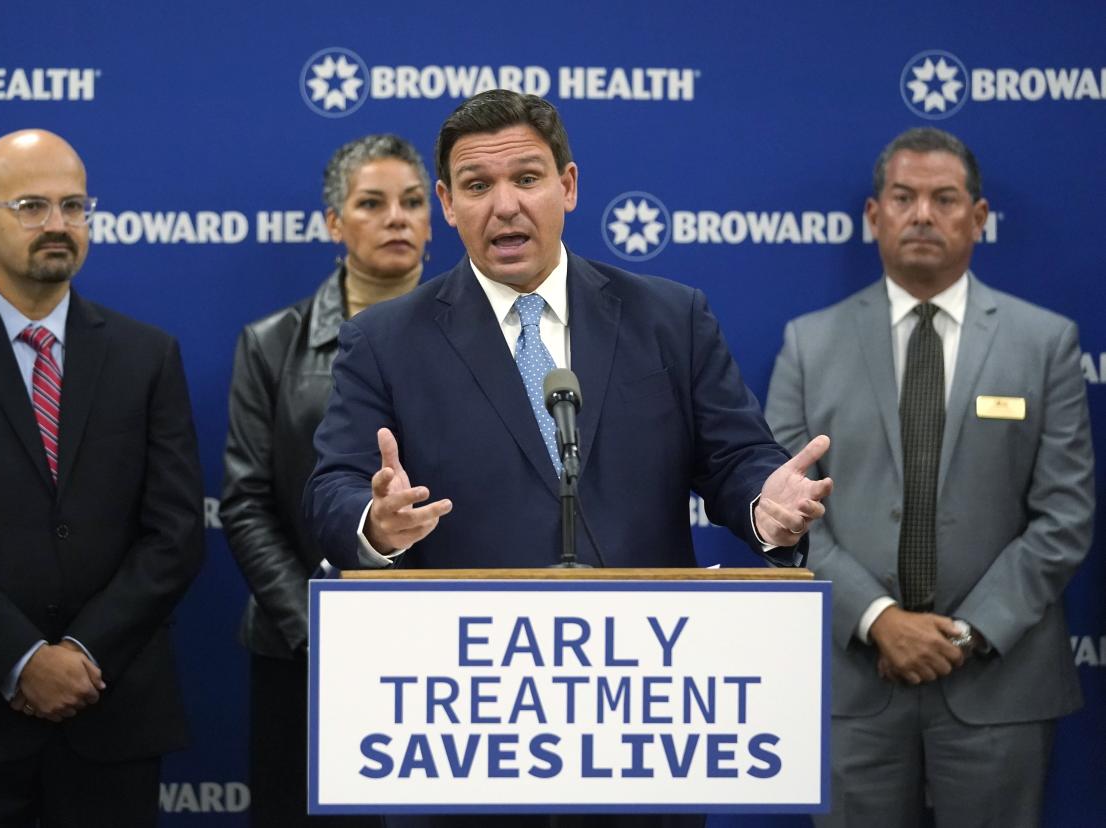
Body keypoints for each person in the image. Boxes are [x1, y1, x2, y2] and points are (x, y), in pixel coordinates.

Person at [303, 91, 831, 828]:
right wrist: (375, 523)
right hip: (465, 739)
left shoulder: (669, 318)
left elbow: (738, 458)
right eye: (478, 187)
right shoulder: (386, 340)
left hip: (641, 731)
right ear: (449, 206)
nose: (505, 205)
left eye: (527, 178)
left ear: (569, 186)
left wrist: (763, 509)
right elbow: (333, 488)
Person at [0, 129, 205, 827]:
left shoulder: (149, 356)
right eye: (31, 205)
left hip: (114, 716)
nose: (58, 224)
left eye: (74, 206)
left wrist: (80, 655)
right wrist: (23, 660)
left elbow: (174, 534)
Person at [765, 127, 1094, 827]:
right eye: (903, 197)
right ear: (873, 215)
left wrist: (964, 634)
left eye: (944, 199)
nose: (922, 214)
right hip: (852, 684)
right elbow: (782, 516)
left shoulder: (1046, 344)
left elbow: (1064, 516)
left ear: (977, 219)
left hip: (998, 683)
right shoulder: (808, 343)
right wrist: (880, 620)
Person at [221, 133, 432, 826]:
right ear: (335, 224)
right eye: (372, 204)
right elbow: (247, 504)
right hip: (303, 650)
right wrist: (320, 631)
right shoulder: (272, 343)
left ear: (436, 220)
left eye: (411, 202)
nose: (396, 217)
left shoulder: (492, 339)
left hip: (449, 648)